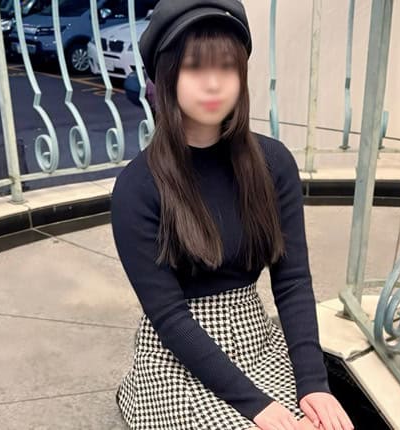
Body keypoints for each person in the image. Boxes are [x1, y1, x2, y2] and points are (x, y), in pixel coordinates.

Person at [110, 1, 354, 429]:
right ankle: (139, 390)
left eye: (226, 67)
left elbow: (293, 280)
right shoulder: (138, 186)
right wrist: (255, 406)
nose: (213, 84)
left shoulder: (272, 163)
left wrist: (313, 384)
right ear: (167, 75)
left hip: (254, 336)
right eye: (194, 67)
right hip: (178, 353)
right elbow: (169, 317)